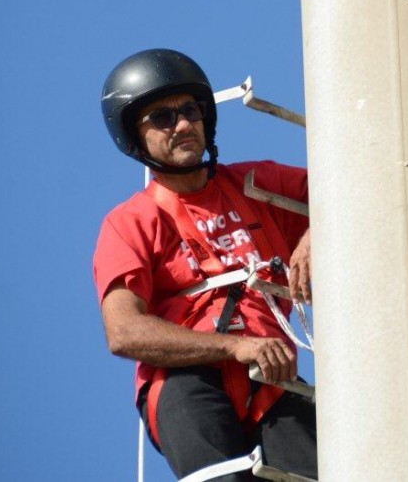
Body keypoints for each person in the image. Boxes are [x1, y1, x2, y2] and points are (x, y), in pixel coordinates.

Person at [94, 48, 317, 480]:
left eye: (189, 111)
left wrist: (312, 234)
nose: (181, 125)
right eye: (161, 118)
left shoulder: (258, 184)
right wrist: (234, 346)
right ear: (135, 137)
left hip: (273, 376)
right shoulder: (131, 222)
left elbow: (349, 179)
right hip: (185, 382)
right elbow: (123, 331)